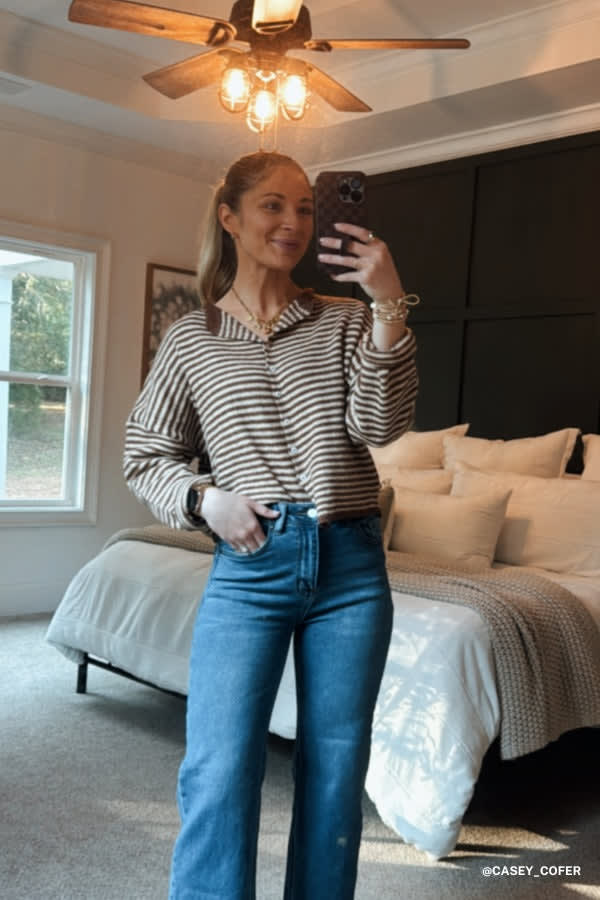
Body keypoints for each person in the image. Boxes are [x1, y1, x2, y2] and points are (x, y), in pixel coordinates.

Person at [123, 150, 418, 900]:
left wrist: (389, 305)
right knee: (219, 766)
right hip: (250, 564)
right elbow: (146, 454)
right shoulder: (192, 338)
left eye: (306, 208)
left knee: (335, 770)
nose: (293, 223)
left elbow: (381, 426)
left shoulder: (346, 320)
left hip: (350, 566)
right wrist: (206, 500)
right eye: (273, 206)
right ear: (230, 217)